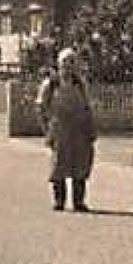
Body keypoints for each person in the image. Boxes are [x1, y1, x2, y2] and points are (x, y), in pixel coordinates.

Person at [37, 47, 95, 212]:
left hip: (79, 130)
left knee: (80, 165)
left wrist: (91, 129)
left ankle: (79, 201)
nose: (68, 66)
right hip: (59, 129)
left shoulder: (81, 84)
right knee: (59, 166)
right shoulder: (50, 85)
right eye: (65, 62)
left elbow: (87, 107)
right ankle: (59, 200)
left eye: (72, 62)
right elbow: (40, 107)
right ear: (58, 64)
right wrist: (46, 130)